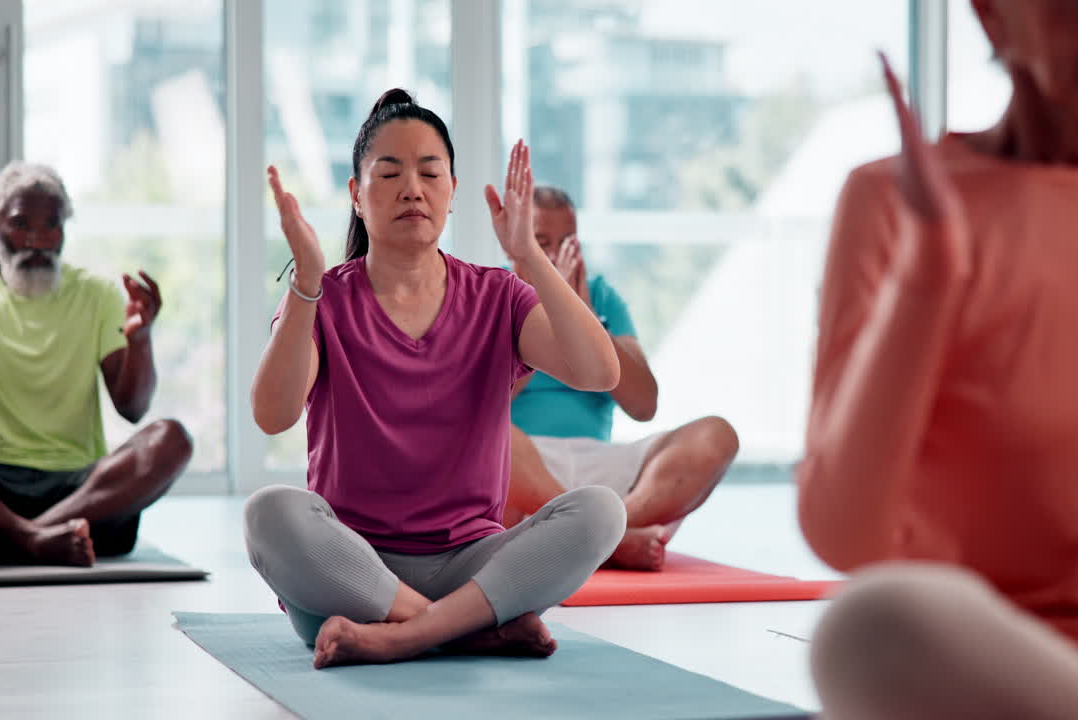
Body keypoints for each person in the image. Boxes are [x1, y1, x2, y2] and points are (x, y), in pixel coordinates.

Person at [799, 1, 1078, 718]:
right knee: (870, 624)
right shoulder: (890, 199)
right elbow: (843, 534)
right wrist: (929, 271)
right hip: (975, 672)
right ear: (991, 17)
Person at [243, 89, 627, 668]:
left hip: (471, 566)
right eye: (389, 172)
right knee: (267, 514)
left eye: (430, 172)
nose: (412, 189)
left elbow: (600, 372)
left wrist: (529, 255)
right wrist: (306, 283)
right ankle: (463, 630)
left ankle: (401, 636)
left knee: (602, 512)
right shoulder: (325, 300)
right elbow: (273, 414)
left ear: (451, 192)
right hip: (352, 573)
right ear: (356, 195)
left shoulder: (498, 296)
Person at [0, 162, 192, 568]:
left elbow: (133, 408)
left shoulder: (97, 293)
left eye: (51, 226)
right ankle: (39, 539)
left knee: (173, 438)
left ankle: (9, 540)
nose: (37, 240)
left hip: (79, 491)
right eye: (21, 224)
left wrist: (140, 341)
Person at [504, 186, 738, 571]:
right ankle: (607, 540)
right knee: (489, 439)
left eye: (566, 242)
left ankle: (600, 535)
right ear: (517, 244)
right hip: (527, 471)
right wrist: (546, 314)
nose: (554, 255)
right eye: (541, 242)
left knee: (715, 436)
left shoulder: (602, 298)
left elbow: (644, 405)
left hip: (602, 472)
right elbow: (479, 402)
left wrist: (584, 319)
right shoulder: (497, 292)